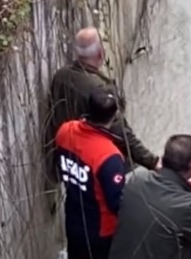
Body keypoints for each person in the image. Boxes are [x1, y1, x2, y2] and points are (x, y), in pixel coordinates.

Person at [45, 27, 160, 184]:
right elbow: (122, 134)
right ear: (100, 53)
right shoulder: (101, 91)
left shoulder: (60, 77)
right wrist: (152, 162)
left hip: (70, 159)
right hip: (98, 163)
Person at [56, 87, 127, 259]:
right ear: (114, 116)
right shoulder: (109, 156)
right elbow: (116, 204)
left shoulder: (65, 130)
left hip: (72, 219)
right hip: (100, 232)